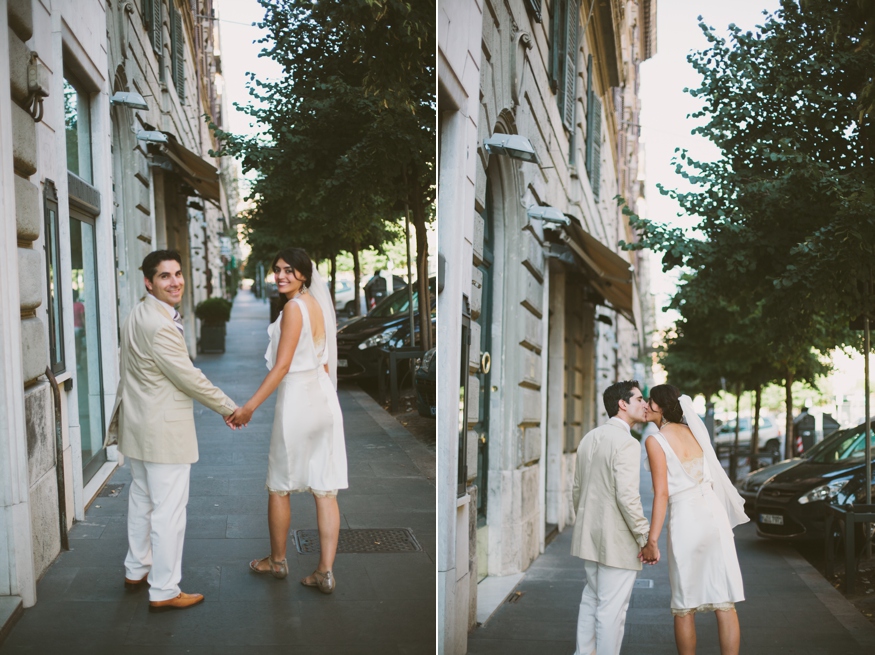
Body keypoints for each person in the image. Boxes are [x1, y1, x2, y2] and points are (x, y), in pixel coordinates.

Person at [105, 249, 237, 612]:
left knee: (143, 501)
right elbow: (188, 377)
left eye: (178, 273)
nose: (175, 281)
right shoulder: (160, 324)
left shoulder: (139, 312)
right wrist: (230, 408)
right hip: (161, 432)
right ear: (149, 282)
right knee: (169, 511)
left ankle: (136, 568)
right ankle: (163, 590)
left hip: (140, 426)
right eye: (165, 276)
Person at [227, 248, 348, 593]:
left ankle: (277, 561)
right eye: (277, 270)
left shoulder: (294, 309)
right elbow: (323, 361)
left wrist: (249, 406)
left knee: (280, 485)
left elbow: (282, 368)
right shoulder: (317, 305)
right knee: (325, 489)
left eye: (289, 270)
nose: (281, 275)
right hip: (324, 399)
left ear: (304, 275)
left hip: (298, 401)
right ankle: (325, 571)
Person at [643, 384, 748, 655]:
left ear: (660, 407)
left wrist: (651, 540)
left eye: (649, 401)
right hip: (714, 517)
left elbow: (662, 494)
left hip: (686, 521)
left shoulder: (655, 441)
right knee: (724, 600)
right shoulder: (694, 432)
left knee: (684, 603)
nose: (645, 406)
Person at [571, 380, 655, 655]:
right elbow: (628, 497)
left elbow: (577, 489)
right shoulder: (627, 443)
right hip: (616, 541)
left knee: (592, 600)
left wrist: (586, 523)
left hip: (590, 535)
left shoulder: (589, 438)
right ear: (622, 404)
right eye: (639, 399)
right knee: (612, 610)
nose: (645, 404)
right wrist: (644, 538)